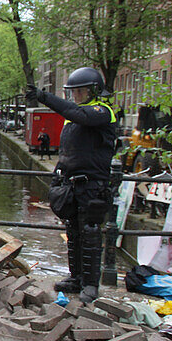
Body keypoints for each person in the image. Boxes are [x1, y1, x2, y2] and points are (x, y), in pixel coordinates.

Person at [27, 67, 118, 303]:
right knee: (73, 232)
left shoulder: (102, 112)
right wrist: (59, 174)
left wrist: (45, 97)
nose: (76, 96)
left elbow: (80, 114)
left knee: (90, 233)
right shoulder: (73, 117)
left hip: (92, 185)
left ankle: (90, 284)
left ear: (94, 91)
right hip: (72, 184)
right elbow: (68, 150)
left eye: (81, 91)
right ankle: (76, 277)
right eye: (73, 92)